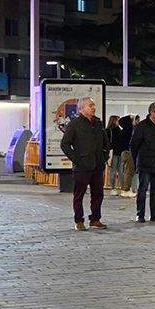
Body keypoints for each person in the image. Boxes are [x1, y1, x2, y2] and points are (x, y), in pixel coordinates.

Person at [60, 97, 108, 231]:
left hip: (97, 166)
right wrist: (77, 160)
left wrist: (104, 156)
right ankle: (79, 221)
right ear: (81, 109)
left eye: (93, 105)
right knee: (79, 195)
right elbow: (65, 144)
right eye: (90, 105)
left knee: (98, 194)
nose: (93, 107)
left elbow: (105, 142)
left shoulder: (98, 123)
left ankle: (95, 219)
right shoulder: (74, 124)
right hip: (82, 167)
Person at [130, 103, 155, 223]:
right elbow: (134, 145)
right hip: (145, 163)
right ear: (152, 112)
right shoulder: (142, 126)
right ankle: (140, 214)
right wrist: (137, 161)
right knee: (143, 189)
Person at [108, 114, 133, 197]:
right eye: (117, 120)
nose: (118, 122)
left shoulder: (120, 130)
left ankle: (122, 188)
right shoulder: (109, 130)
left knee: (120, 171)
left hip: (120, 152)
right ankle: (113, 188)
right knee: (113, 171)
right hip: (113, 153)